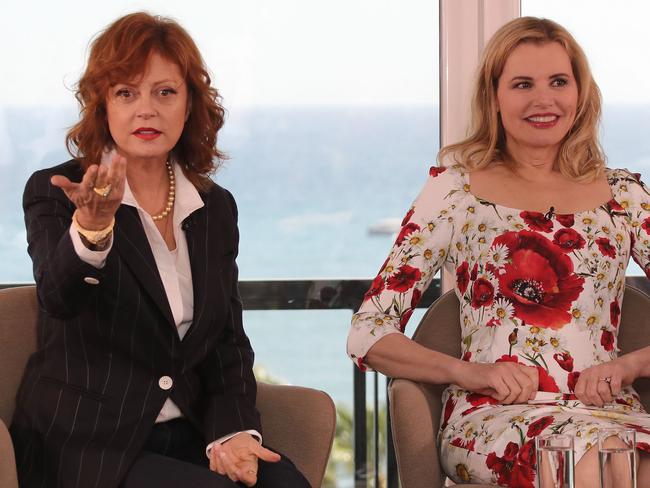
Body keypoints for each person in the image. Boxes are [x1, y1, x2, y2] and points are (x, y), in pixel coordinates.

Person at [347, 16, 650, 488]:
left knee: (624, 461)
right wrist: (469, 372)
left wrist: (630, 365)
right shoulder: (454, 192)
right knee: (587, 465)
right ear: (494, 97)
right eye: (522, 84)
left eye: (558, 82)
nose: (543, 99)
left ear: (580, 93)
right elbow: (368, 332)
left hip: (614, 417)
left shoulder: (625, 195)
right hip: (496, 419)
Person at [10, 12, 310, 488]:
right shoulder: (56, 191)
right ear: (102, 105)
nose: (145, 110)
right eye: (126, 93)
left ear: (190, 104)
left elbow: (226, 340)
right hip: (91, 442)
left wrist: (233, 431)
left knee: (286, 485)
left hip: (192, 432)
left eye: (165, 92)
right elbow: (59, 297)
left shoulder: (214, 207)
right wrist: (92, 226)